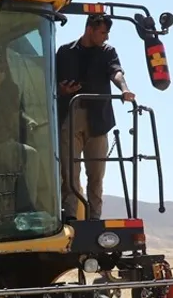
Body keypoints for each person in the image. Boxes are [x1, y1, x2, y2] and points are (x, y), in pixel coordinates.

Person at [55, 13, 136, 220]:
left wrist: (125, 89)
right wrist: (62, 90)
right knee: (69, 172)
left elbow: (116, 72)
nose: (106, 37)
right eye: (103, 32)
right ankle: (70, 215)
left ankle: (94, 217)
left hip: (99, 119)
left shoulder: (108, 52)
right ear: (89, 29)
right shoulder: (64, 52)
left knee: (96, 174)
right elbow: (52, 82)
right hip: (70, 116)